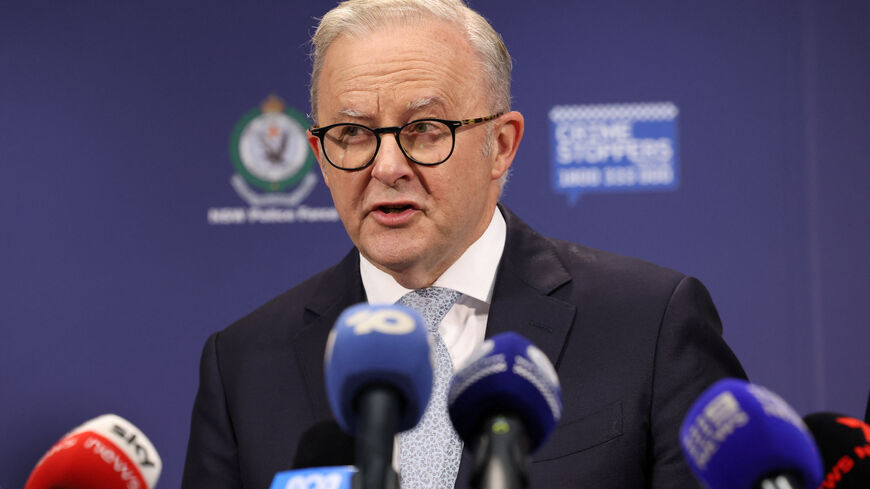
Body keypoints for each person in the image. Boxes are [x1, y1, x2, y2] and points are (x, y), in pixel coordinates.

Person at [182, 0, 746, 488]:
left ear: (501, 146)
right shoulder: (244, 365)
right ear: (320, 157)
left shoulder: (649, 325)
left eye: (424, 130)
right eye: (352, 134)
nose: (386, 167)